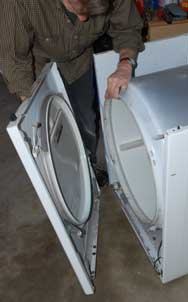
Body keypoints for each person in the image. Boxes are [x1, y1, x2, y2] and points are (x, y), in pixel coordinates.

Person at [0, 0, 144, 183]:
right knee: (49, 132)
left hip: (79, 60)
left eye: (91, 14)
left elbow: (128, 28)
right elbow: (12, 58)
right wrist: (31, 105)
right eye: (79, 11)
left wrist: (126, 64)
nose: (83, 20)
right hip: (37, 65)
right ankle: (64, 179)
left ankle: (88, 170)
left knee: (87, 121)